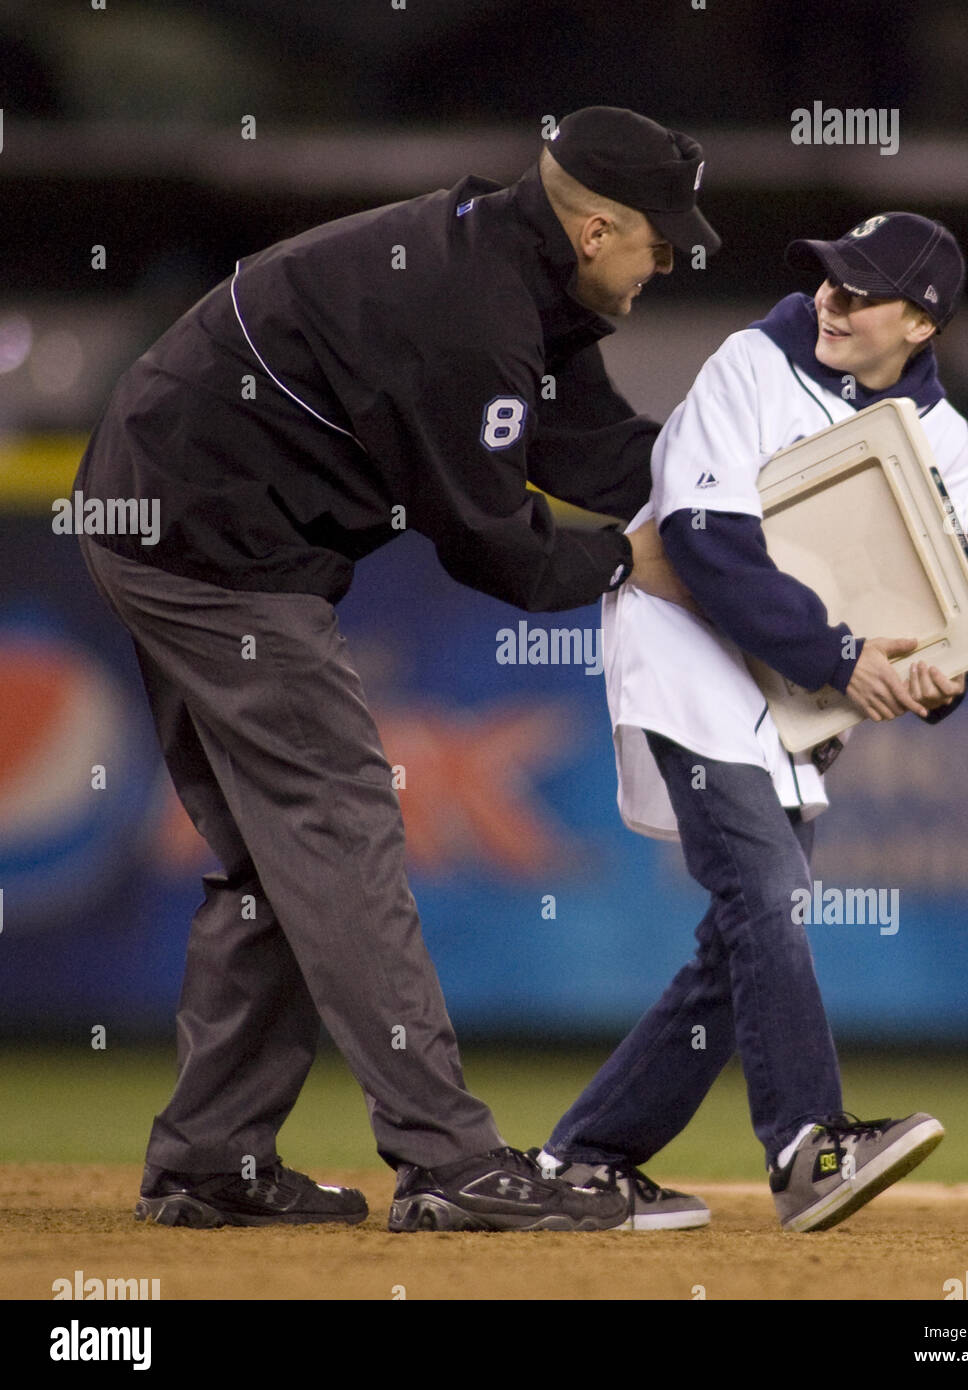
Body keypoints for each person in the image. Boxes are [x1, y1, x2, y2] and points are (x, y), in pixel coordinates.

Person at [71, 106, 719, 1233]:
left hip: (172, 513)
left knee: (282, 856)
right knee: (341, 817)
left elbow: (599, 451)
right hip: (209, 540)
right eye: (661, 240)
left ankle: (209, 1161)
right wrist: (631, 557)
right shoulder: (471, 310)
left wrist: (742, 512)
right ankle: (447, 1157)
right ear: (600, 226)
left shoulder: (514, 270)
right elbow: (488, 540)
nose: (670, 258)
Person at [536, 212, 968, 1233]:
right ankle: (807, 1142)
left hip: (788, 697)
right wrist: (835, 656)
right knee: (769, 895)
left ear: (920, 320)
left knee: (738, 943)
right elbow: (701, 542)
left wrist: (933, 678)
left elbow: (928, 600)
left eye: (860, 289)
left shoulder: (941, 438)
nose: (830, 297)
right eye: (827, 276)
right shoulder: (751, 362)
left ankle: (582, 1159)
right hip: (686, 659)